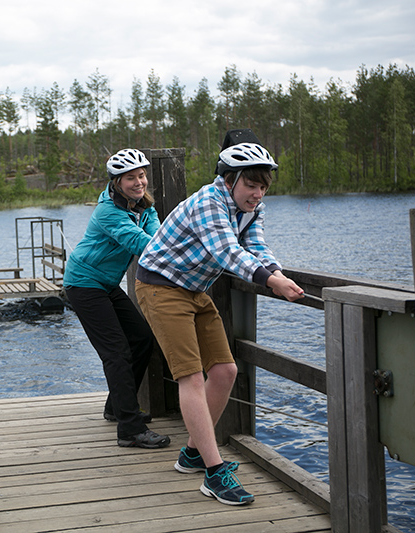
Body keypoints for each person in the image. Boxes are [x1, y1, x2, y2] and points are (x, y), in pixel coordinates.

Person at [135, 135, 304, 504]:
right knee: (191, 376)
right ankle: (214, 473)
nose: (257, 194)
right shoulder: (209, 202)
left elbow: (255, 246)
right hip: (160, 286)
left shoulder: (251, 208)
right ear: (229, 180)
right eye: (251, 185)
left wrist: (277, 272)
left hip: (194, 289)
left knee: (225, 371)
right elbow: (227, 252)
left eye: (263, 187)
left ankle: (193, 453)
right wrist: (270, 281)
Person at [63, 148, 171, 449]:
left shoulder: (144, 207)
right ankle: (130, 429)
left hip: (106, 284)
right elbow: (142, 244)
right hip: (84, 283)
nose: (139, 182)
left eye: (141, 175)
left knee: (141, 339)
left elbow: (158, 238)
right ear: (117, 183)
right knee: (116, 352)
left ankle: (117, 407)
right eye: (130, 178)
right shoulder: (108, 212)